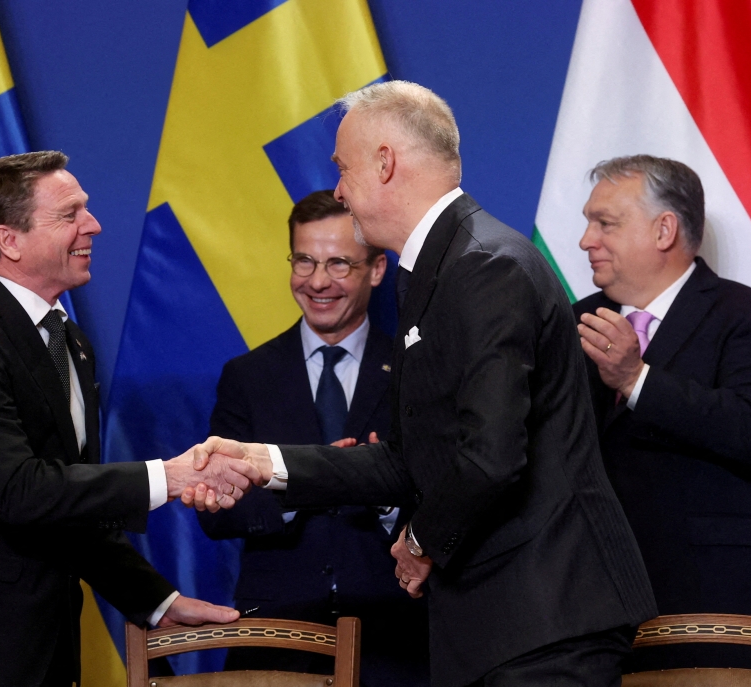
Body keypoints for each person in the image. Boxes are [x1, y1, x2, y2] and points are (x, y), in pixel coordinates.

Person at [186, 81, 657, 687]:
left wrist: (420, 539)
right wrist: (264, 462)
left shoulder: (485, 266)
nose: (338, 190)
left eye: (342, 168)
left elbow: (490, 457)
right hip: (503, 621)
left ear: (385, 163)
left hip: (545, 615)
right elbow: (408, 460)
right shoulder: (441, 268)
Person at [0, 152, 259, 687]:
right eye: (70, 215)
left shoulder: (69, 342)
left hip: (35, 648)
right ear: (9, 240)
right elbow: (21, 492)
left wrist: (157, 601)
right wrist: (172, 476)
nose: (93, 225)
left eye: (85, 210)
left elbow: (69, 508)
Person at [573, 154, 751, 671]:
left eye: (604, 223)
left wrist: (636, 380)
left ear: (664, 229)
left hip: (716, 608)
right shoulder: (573, 324)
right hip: (590, 618)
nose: (586, 240)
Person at [197, 190, 429, 686]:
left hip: (395, 640)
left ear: (376, 270)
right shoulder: (248, 376)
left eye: (339, 263)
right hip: (277, 640)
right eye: (304, 260)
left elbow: (453, 493)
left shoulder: (418, 371)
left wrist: (380, 491)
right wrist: (304, 483)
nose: (318, 281)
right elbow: (215, 510)